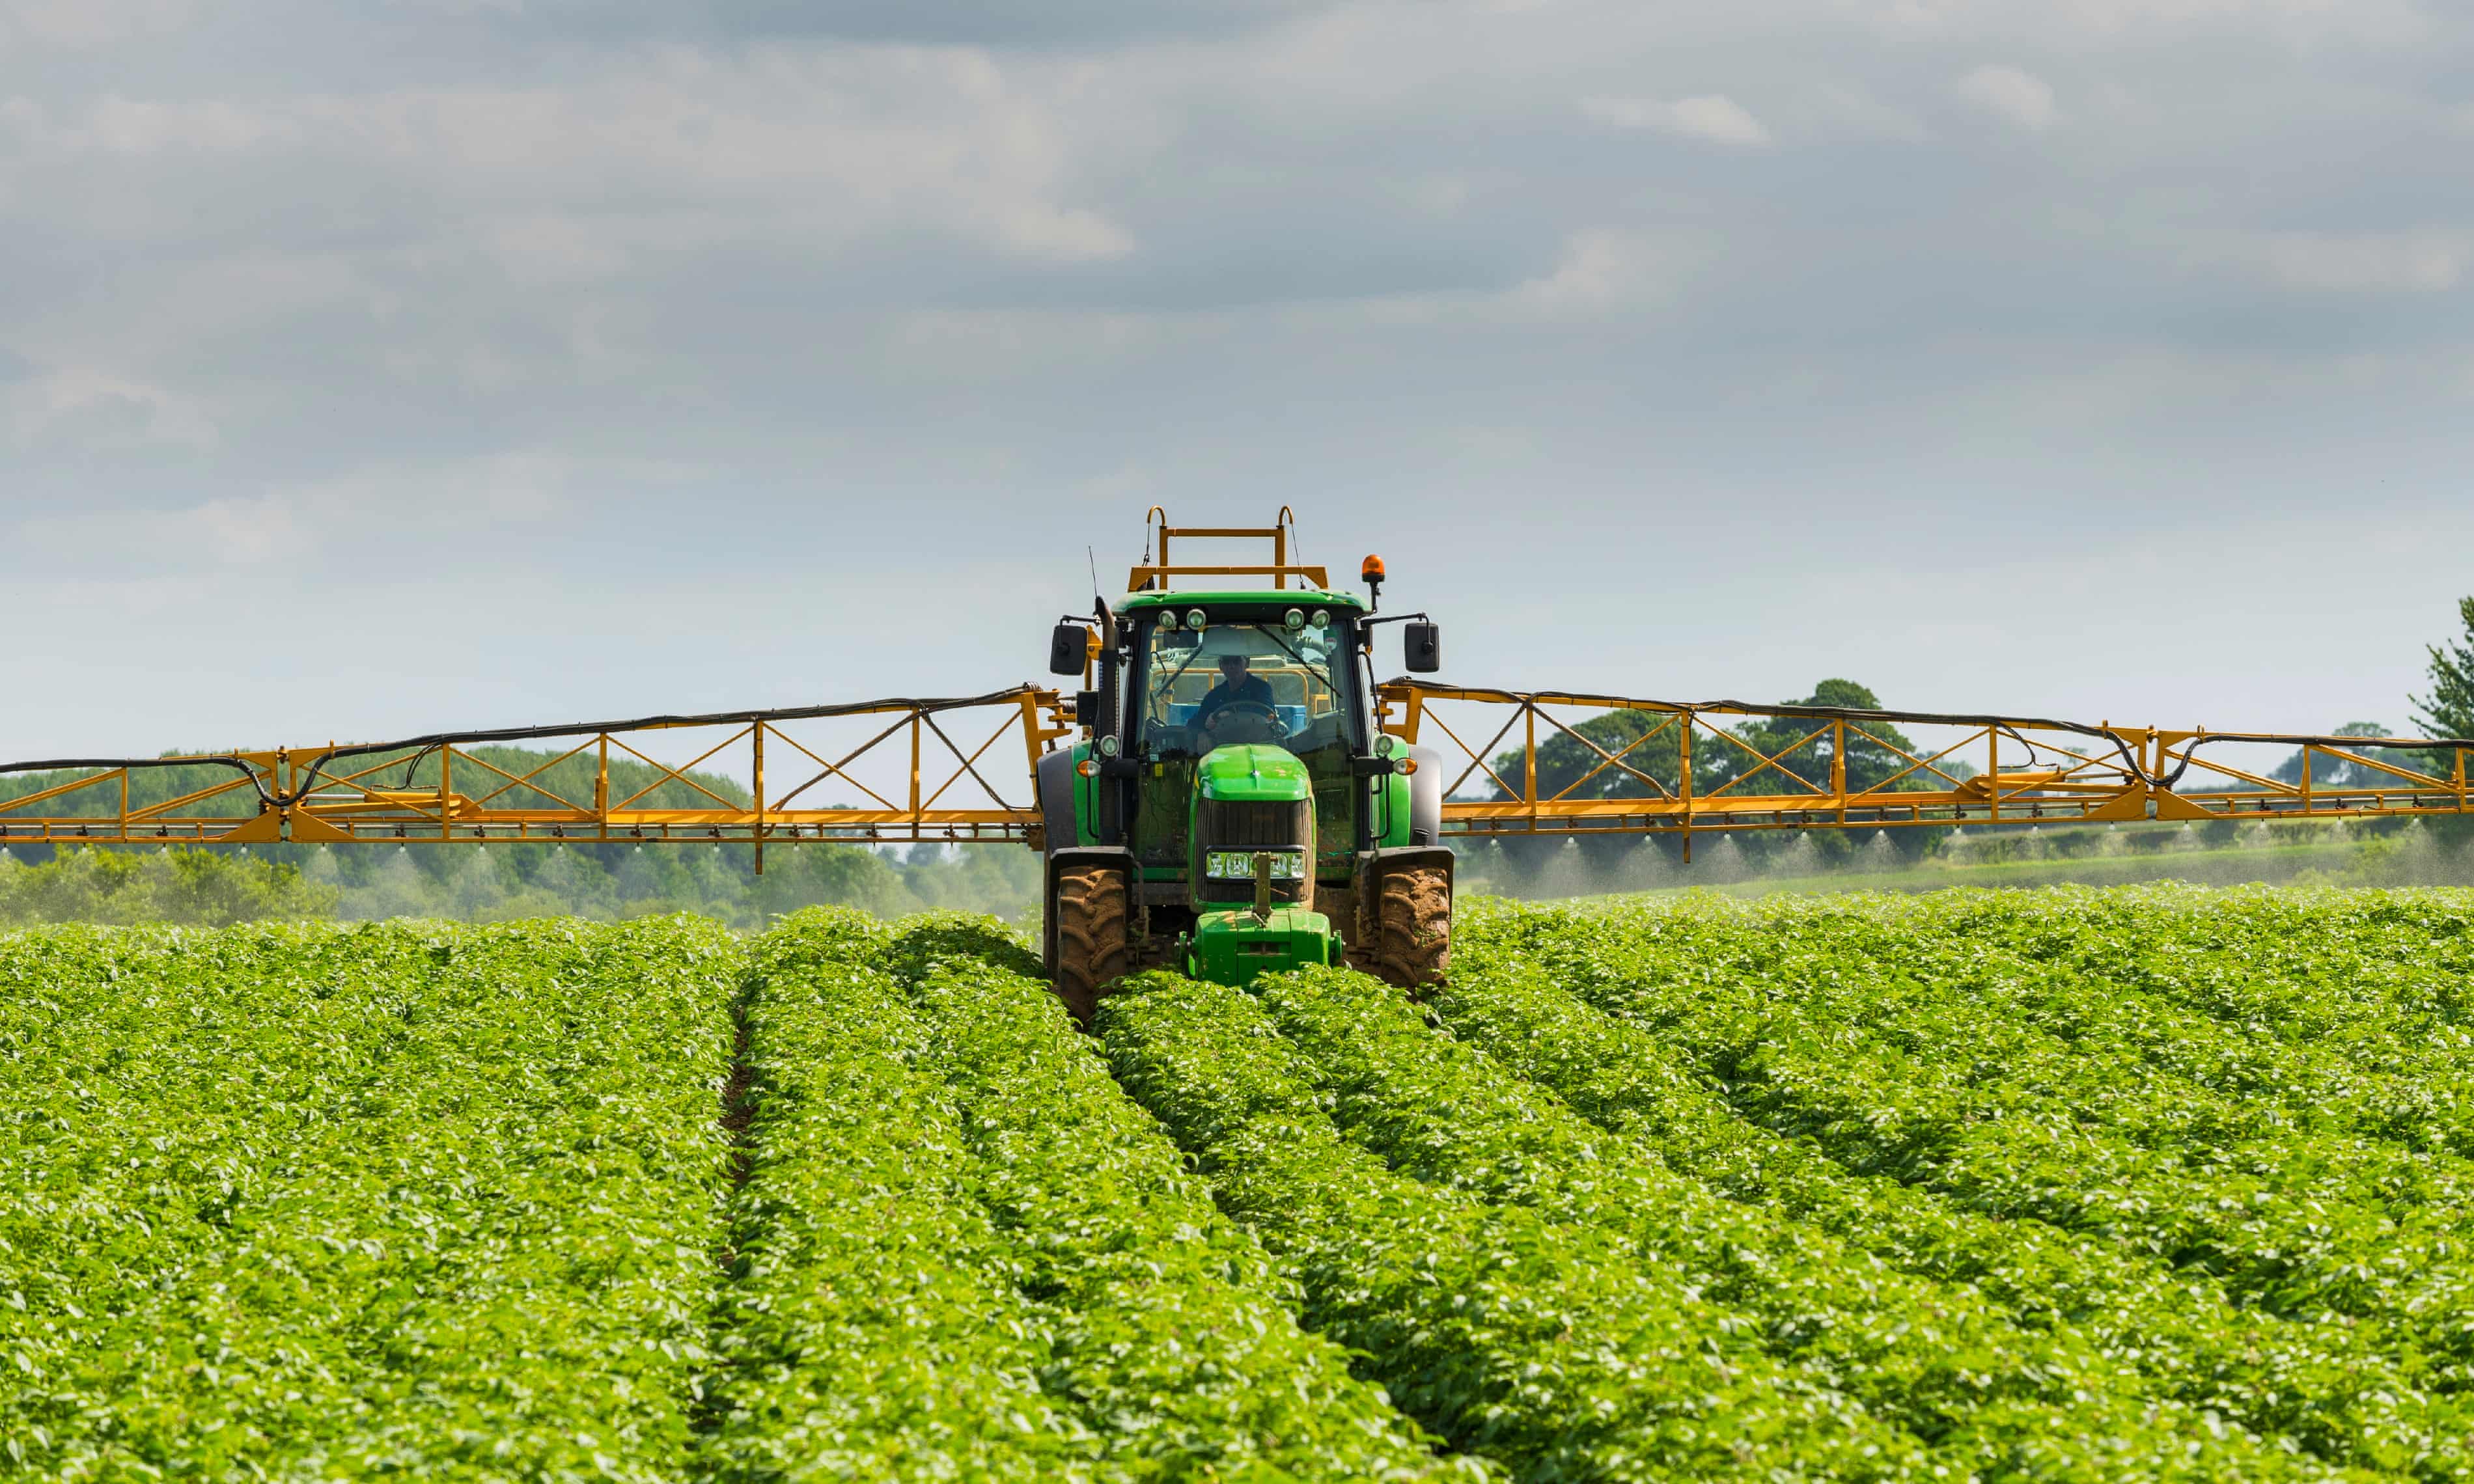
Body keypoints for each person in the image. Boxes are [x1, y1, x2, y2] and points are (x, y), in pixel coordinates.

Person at [1193, 653, 1275, 729]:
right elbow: (1195, 722)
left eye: (1237, 661)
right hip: (1224, 743)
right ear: (1220, 666)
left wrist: (1231, 715)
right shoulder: (1214, 695)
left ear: (1247, 663)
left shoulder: (1262, 689)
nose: (1231, 666)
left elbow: (1265, 714)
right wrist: (1202, 733)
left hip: (1259, 742)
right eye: (1226, 662)